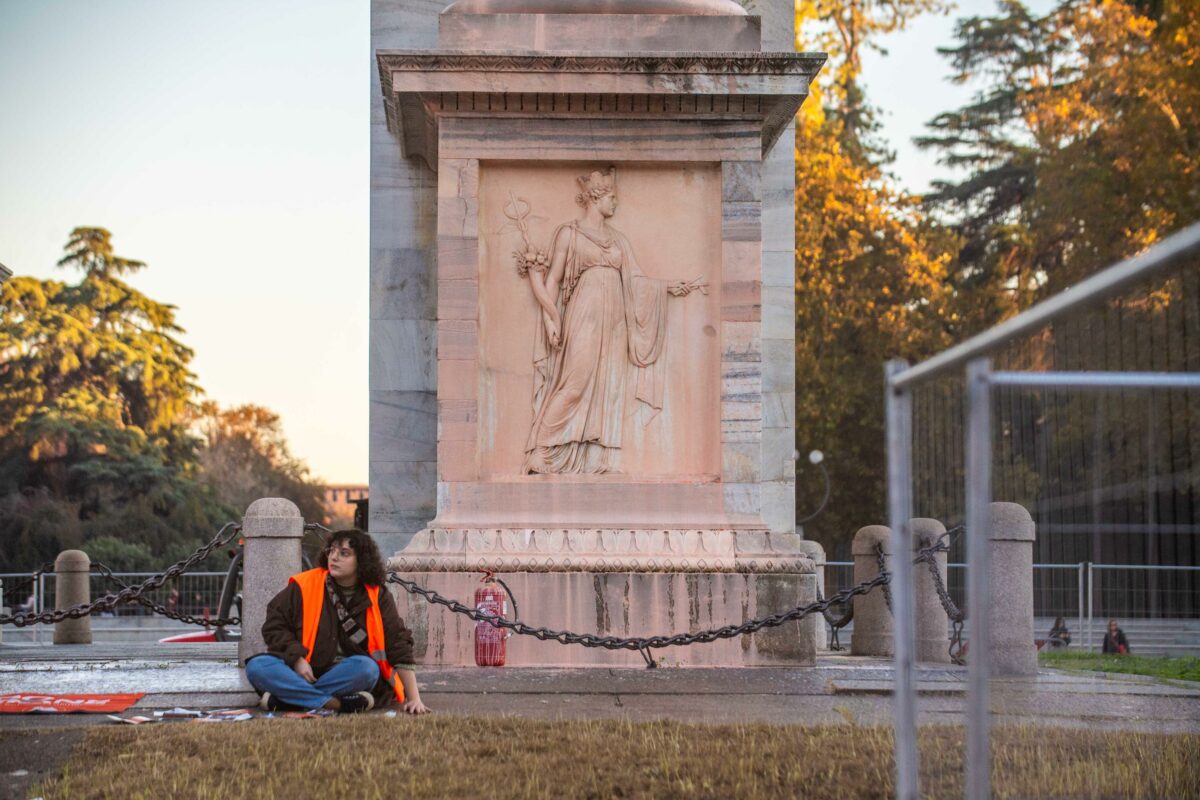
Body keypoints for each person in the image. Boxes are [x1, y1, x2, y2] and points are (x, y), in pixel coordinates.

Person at [244, 529, 430, 715]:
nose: (334, 557)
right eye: (331, 551)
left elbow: (397, 642)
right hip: (302, 671)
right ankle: (336, 704)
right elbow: (274, 625)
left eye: (344, 553)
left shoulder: (378, 595)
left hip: (347, 674)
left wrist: (414, 699)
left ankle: (287, 699)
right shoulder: (305, 584)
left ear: (362, 561)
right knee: (257, 666)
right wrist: (297, 658)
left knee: (367, 668)